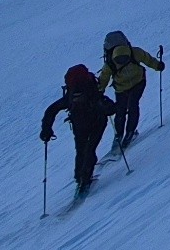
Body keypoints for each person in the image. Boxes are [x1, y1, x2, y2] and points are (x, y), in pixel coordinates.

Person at [40, 64, 117, 197]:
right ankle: (86, 180)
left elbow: (51, 110)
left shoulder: (70, 95)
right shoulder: (92, 89)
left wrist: (46, 130)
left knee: (81, 150)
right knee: (90, 149)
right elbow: (109, 107)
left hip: (79, 124)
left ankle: (79, 177)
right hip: (97, 122)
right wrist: (109, 109)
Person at [98, 30, 164, 152]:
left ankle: (118, 136)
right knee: (133, 105)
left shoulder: (110, 63)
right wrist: (158, 65)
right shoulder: (134, 52)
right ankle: (130, 132)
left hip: (121, 88)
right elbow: (147, 59)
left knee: (120, 111)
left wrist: (99, 91)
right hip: (139, 82)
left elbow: (104, 78)